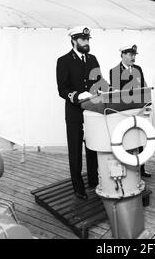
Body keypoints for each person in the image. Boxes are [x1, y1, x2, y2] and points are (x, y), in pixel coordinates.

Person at [56, 26, 104, 200]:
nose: (86, 42)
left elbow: (99, 82)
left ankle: (93, 180)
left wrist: (101, 90)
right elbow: (62, 89)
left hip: (92, 112)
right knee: (75, 151)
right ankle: (78, 187)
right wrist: (76, 95)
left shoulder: (93, 59)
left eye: (87, 39)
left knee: (92, 146)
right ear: (73, 41)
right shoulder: (64, 61)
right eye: (83, 40)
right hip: (74, 113)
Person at [109, 44, 151, 178]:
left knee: (140, 139)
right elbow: (117, 94)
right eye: (130, 55)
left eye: (134, 55)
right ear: (122, 55)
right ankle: (129, 169)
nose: (133, 57)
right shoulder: (115, 71)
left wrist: (146, 103)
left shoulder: (138, 69)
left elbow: (143, 87)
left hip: (138, 110)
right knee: (127, 139)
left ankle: (141, 169)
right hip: (124, 112)